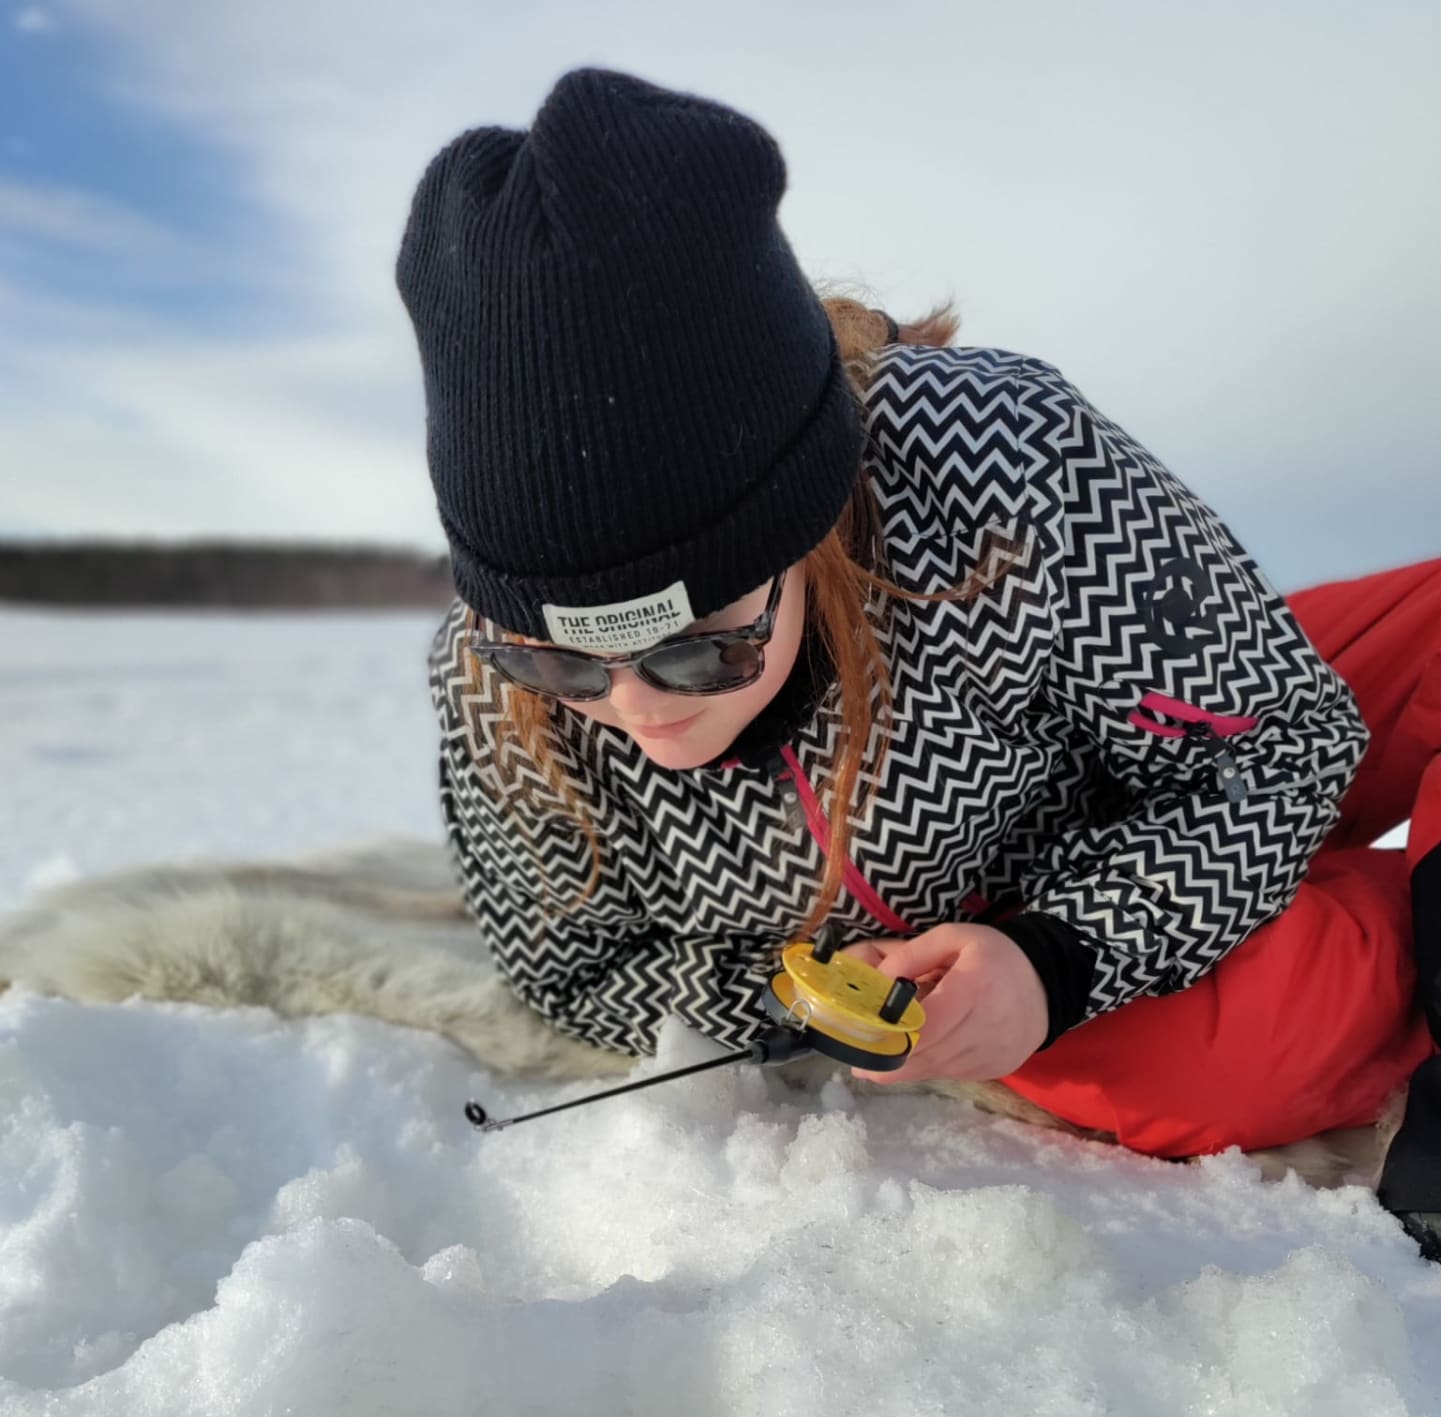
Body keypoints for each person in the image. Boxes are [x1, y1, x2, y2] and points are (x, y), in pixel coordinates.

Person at [396, 65, 1441, 1252]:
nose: (638, 714)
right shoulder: (484, 683)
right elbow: (572, 970)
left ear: (803, 522)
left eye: (699, 649)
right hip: (1006, 924)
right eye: (566, 668)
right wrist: (1034, 962)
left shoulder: (1002, 457)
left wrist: (1194, 815)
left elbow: (1286, 742)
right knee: (1248, 1058)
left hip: (1126, 706)